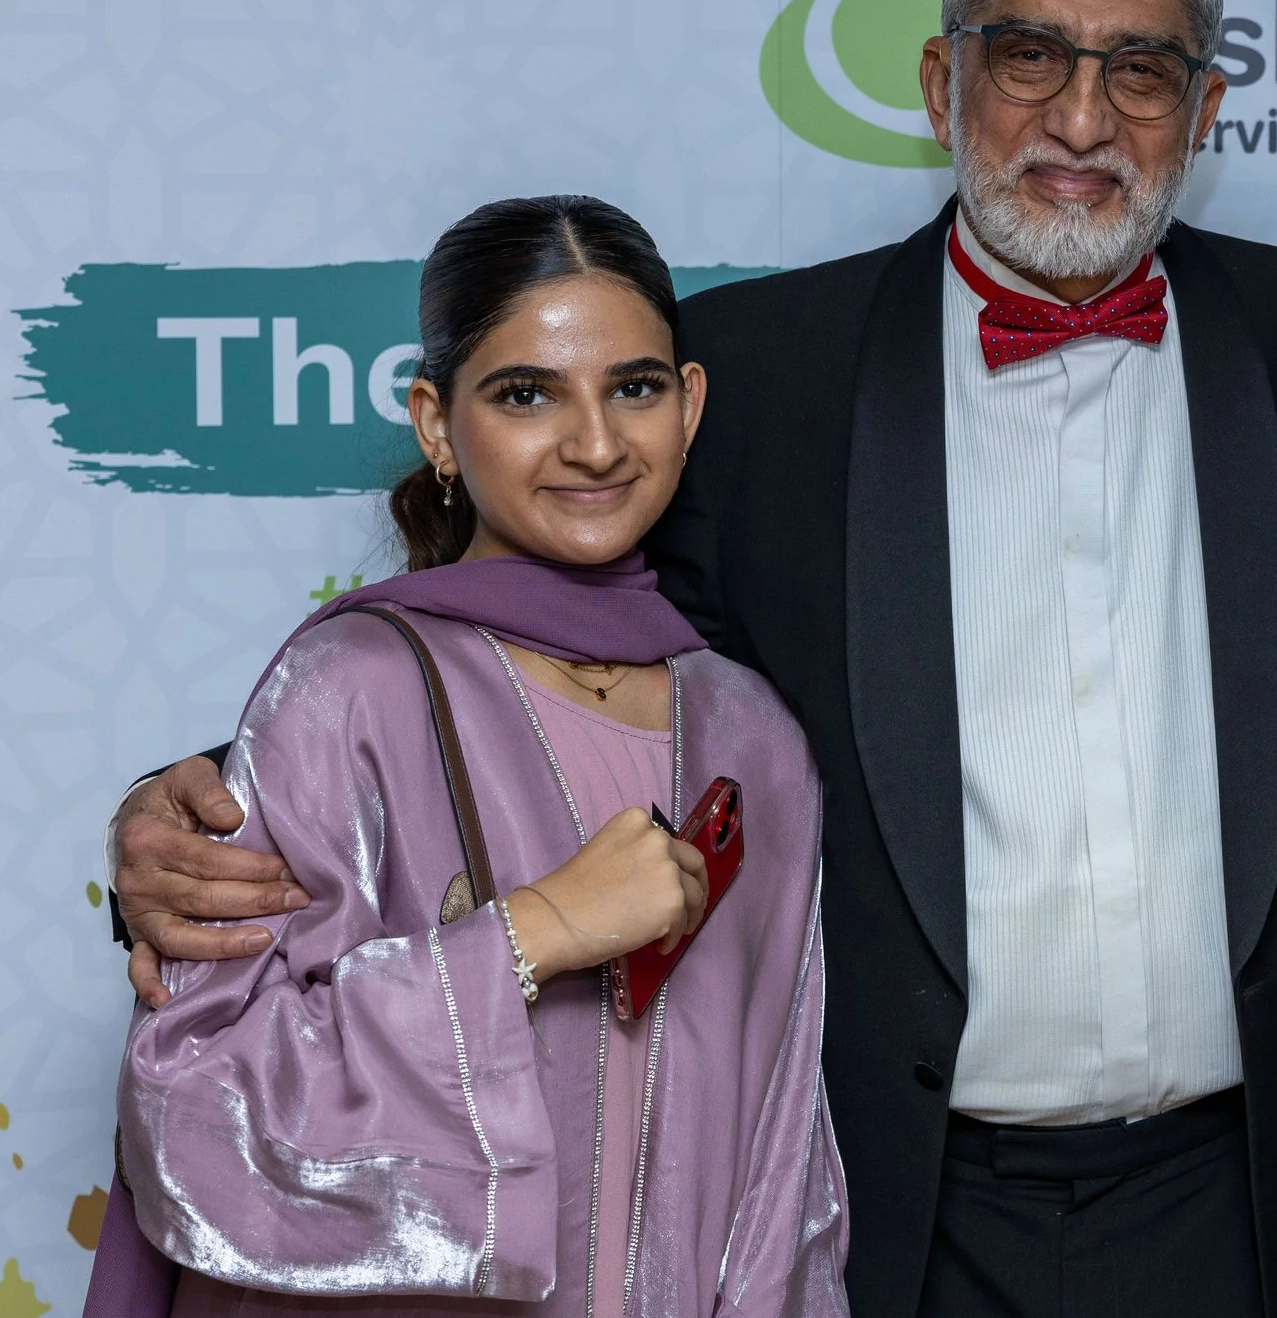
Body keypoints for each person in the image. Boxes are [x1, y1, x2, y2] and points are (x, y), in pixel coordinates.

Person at [107, 0, 1277, 1318]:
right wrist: (217, 800)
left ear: (1210, 106)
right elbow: (539, 651)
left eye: (1141, 69)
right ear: (939, 79)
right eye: (1030, 54)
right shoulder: (761, 375)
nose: (1083, 118)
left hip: (1232, 1198)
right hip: (888, 1203)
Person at [95, 198, 846, 1318]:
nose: (594, 442)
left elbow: (784, 1159)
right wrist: (537, 931)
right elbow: (200, 1102)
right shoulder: (350, 686)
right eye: (526, 392)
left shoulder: (750, 734)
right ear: (438, 424)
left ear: (688, 409)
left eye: (633, 386)